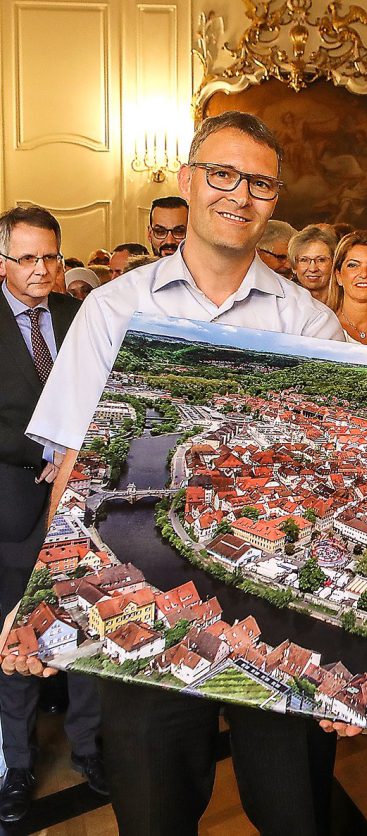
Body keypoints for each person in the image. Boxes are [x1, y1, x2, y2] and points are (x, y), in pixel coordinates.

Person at [6, 111, 346, 836]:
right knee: (154, 814)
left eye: (258, 182)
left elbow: (332, 483)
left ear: (274, 200)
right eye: (222, 174)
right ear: (188, 182)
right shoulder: (112, 308)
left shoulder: (311, 325)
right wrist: (49, 600)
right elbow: (71, 469)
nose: (238, 194)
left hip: (277, 610)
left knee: (296, 814)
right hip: (145, 603)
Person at [0, 207, 103, 825]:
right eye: (28, 259)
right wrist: (48, 446)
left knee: (84, 623)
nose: (42, 271)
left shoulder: (75, 316)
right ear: (1, 261)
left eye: (52, 258)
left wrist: (75, 451)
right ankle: (15, 767)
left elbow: (104, 393)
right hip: (11, 503)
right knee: (15, 632)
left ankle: (91, 748)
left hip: (80, 501)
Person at [289, 225, 338, 310]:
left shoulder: (347, 302)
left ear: (333, 263)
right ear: (294, 266)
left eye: (321, 260)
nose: (313, 269)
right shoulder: (286, 304)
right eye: (304, 260)